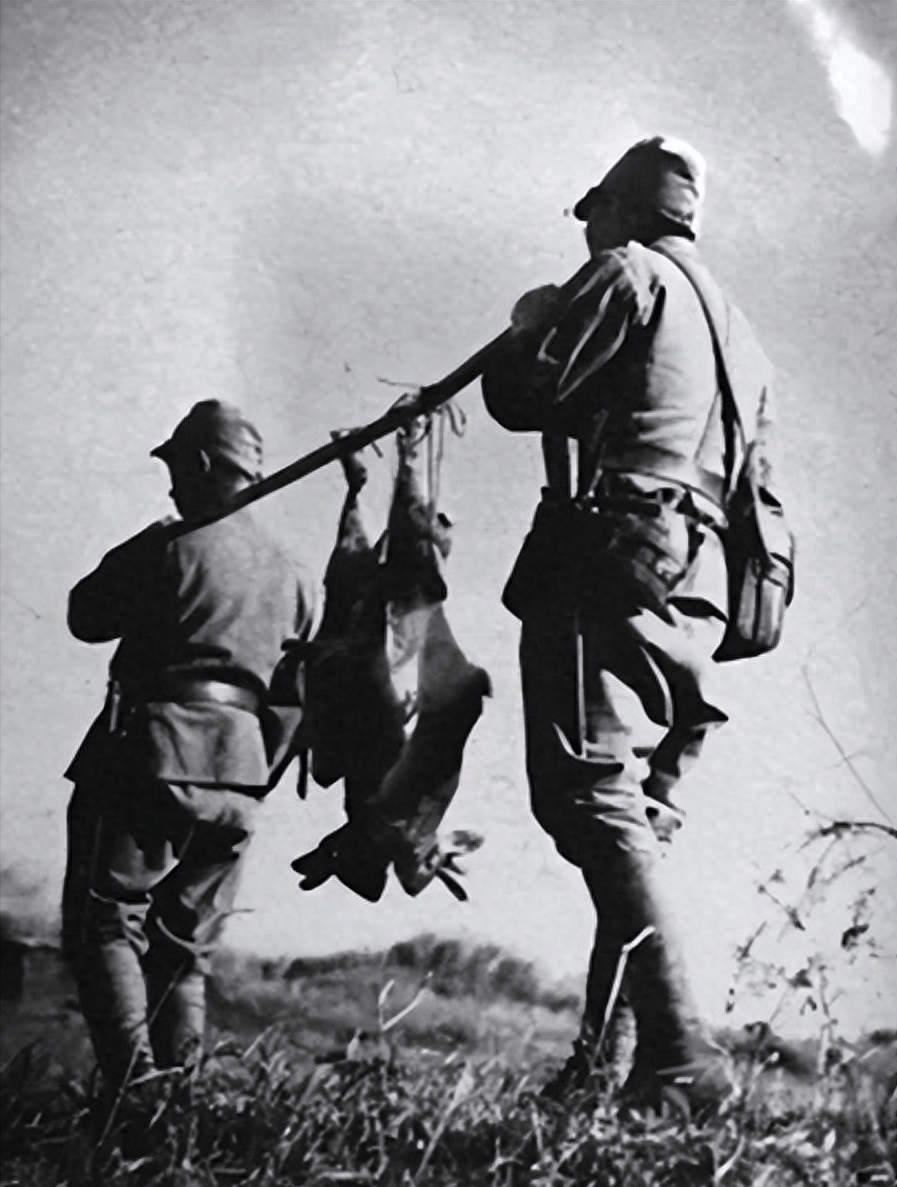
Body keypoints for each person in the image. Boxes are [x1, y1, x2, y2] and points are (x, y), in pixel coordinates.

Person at [481, 136, 776, 1112]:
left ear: (624, 208)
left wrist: (532, 320)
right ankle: (606, 1064)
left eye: (590, 209)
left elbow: (528, 394)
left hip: (611, 555)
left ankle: (680, 1051)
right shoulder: (742, 329)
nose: (582, 226)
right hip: (702, 585)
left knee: (586, 799)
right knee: (631, 819)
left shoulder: (625, 271)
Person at [62, 400, 314, 1089]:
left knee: (107, 924)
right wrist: (250, 773)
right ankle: (182, 1100)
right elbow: (293, 704)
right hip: (239, 777)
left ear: (202, 465)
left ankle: (135, 1093)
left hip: (150, 752)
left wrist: (151, 540)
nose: (171, 484)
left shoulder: (170, 547)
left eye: (177, 467)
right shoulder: (295, 574)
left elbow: (85, 614)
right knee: (185, 947)